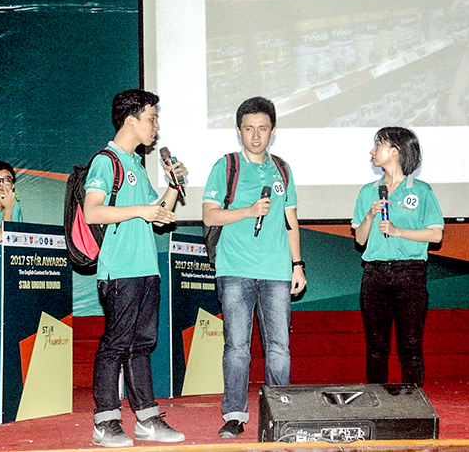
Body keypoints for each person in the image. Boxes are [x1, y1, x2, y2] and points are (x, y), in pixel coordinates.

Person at [83, 89, 187, 447]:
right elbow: (92, 211)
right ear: (131, 121)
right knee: (115, 344)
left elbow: (157, 217)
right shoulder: (106, 161)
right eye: (151, 119)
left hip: (146, 270)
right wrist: (141, 210)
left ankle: (147, 419)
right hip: (119, 271)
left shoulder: (137, 165)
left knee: (142, 345)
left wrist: (173, 187)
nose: (156, 127)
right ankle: (105, 422)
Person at [202, 96, 307, 439]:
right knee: (237, 347)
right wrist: (248, 211)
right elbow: (209, 216)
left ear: (273, 131)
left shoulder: (283, 169)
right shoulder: (226, 166)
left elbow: (291, 220)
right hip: (235, 269)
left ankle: (280, 414)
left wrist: (297, 265)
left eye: (263, 128)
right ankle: (234, 414)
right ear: (239, 131)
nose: (256, 135)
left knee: (279, 348)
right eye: (249, 128)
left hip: (277, 271)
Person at [351, 127, 444, 387]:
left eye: (378, 145)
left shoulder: (421, 190)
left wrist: (398, 231)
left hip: (409, 273)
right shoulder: (368, 191)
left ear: (395, 152)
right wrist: (369, 216)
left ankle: (413, 403)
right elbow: (360, 239)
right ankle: (377, 400)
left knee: (411, 346)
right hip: (374, 274)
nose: (372, 151)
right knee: (376, 347)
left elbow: (436, 234)